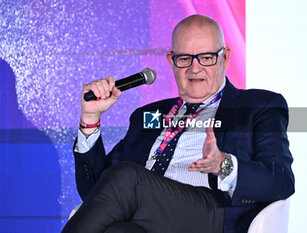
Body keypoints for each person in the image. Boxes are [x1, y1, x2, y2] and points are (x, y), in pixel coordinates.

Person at [62, 14, 295, 233]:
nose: (195, 68)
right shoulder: (149, 115)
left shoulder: (259, 105)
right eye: (184, 58)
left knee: (126, 177)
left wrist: (223, 165)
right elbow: (97, 192)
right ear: (171, 61)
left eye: (206, 58)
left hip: (211, 214)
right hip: (147, 218)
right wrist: (90, 119)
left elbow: (281, 181)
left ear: (224, 57)